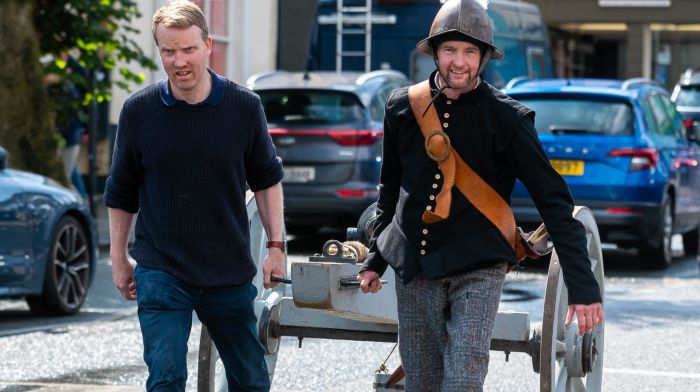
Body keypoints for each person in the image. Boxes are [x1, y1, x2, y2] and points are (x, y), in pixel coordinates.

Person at [356, 0, 604, 390]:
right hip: (415, 267)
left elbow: (554, 202)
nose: (459, 62)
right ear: (435, 52)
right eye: (450, 50)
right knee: (422, 382)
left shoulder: (509, 118)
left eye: (470, 52)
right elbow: (391, 190)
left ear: (484, 57)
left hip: (478, 266)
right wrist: (376, 258)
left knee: (464, 376)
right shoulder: (402, 106)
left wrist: (585, 288)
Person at [103, 1, 285, 391]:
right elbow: (121, 193)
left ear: (207, 46)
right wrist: (118, 257)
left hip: (227, 267)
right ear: (160, 51)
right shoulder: (138, 111)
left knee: (251, 380)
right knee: (166, 377)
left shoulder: (243, 107)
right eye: (169, 51)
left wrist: (275, 247)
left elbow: (267, 180)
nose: (179, 61)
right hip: (162, 268)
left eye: (187, 49)